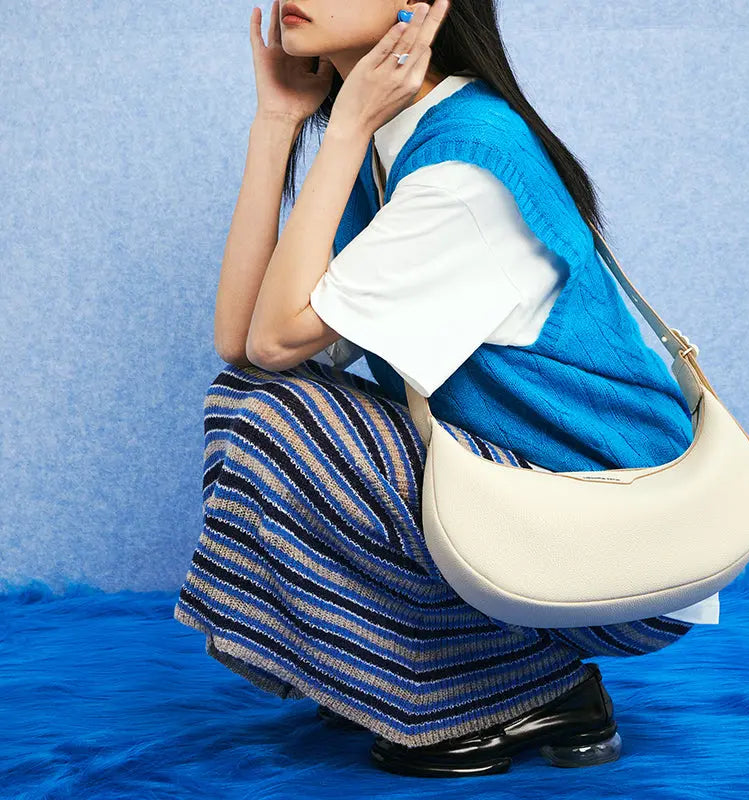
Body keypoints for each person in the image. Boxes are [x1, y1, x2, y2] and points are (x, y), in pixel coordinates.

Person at [173, 0, 717, 778]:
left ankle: (521, 692)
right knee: (252, 397)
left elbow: (271, 342)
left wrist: (349, 125)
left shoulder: (462, 166)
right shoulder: (398, 145)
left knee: (270, 419)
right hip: (539, 500)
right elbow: (242, 342)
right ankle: (432, 671)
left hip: (625, 533)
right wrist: (277, 122)